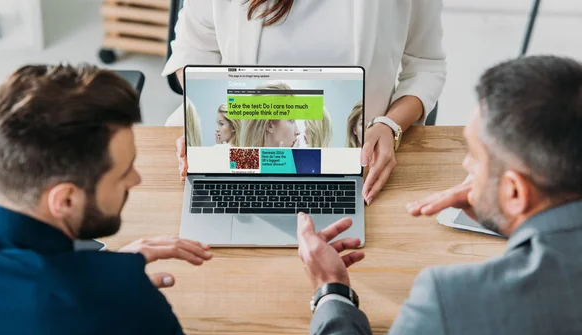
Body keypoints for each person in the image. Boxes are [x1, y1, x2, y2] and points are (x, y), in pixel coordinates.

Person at [296, 55, 582, 335]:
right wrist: (508, 214)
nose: (464, 165)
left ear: (516, 191)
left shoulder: (452, 301)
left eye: (474, 156)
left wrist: (332, 290)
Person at [0, 64, 212, 335]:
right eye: (123, 172)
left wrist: (100, 276)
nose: (136, 179)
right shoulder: (116, 302)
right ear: (66, 199)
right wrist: (115, 289)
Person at [166, 0, 446, 204]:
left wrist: (389, 125)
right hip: (241, 164)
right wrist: (201, 132)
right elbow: (193, 51)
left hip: (358, 164)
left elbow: (425, 65)